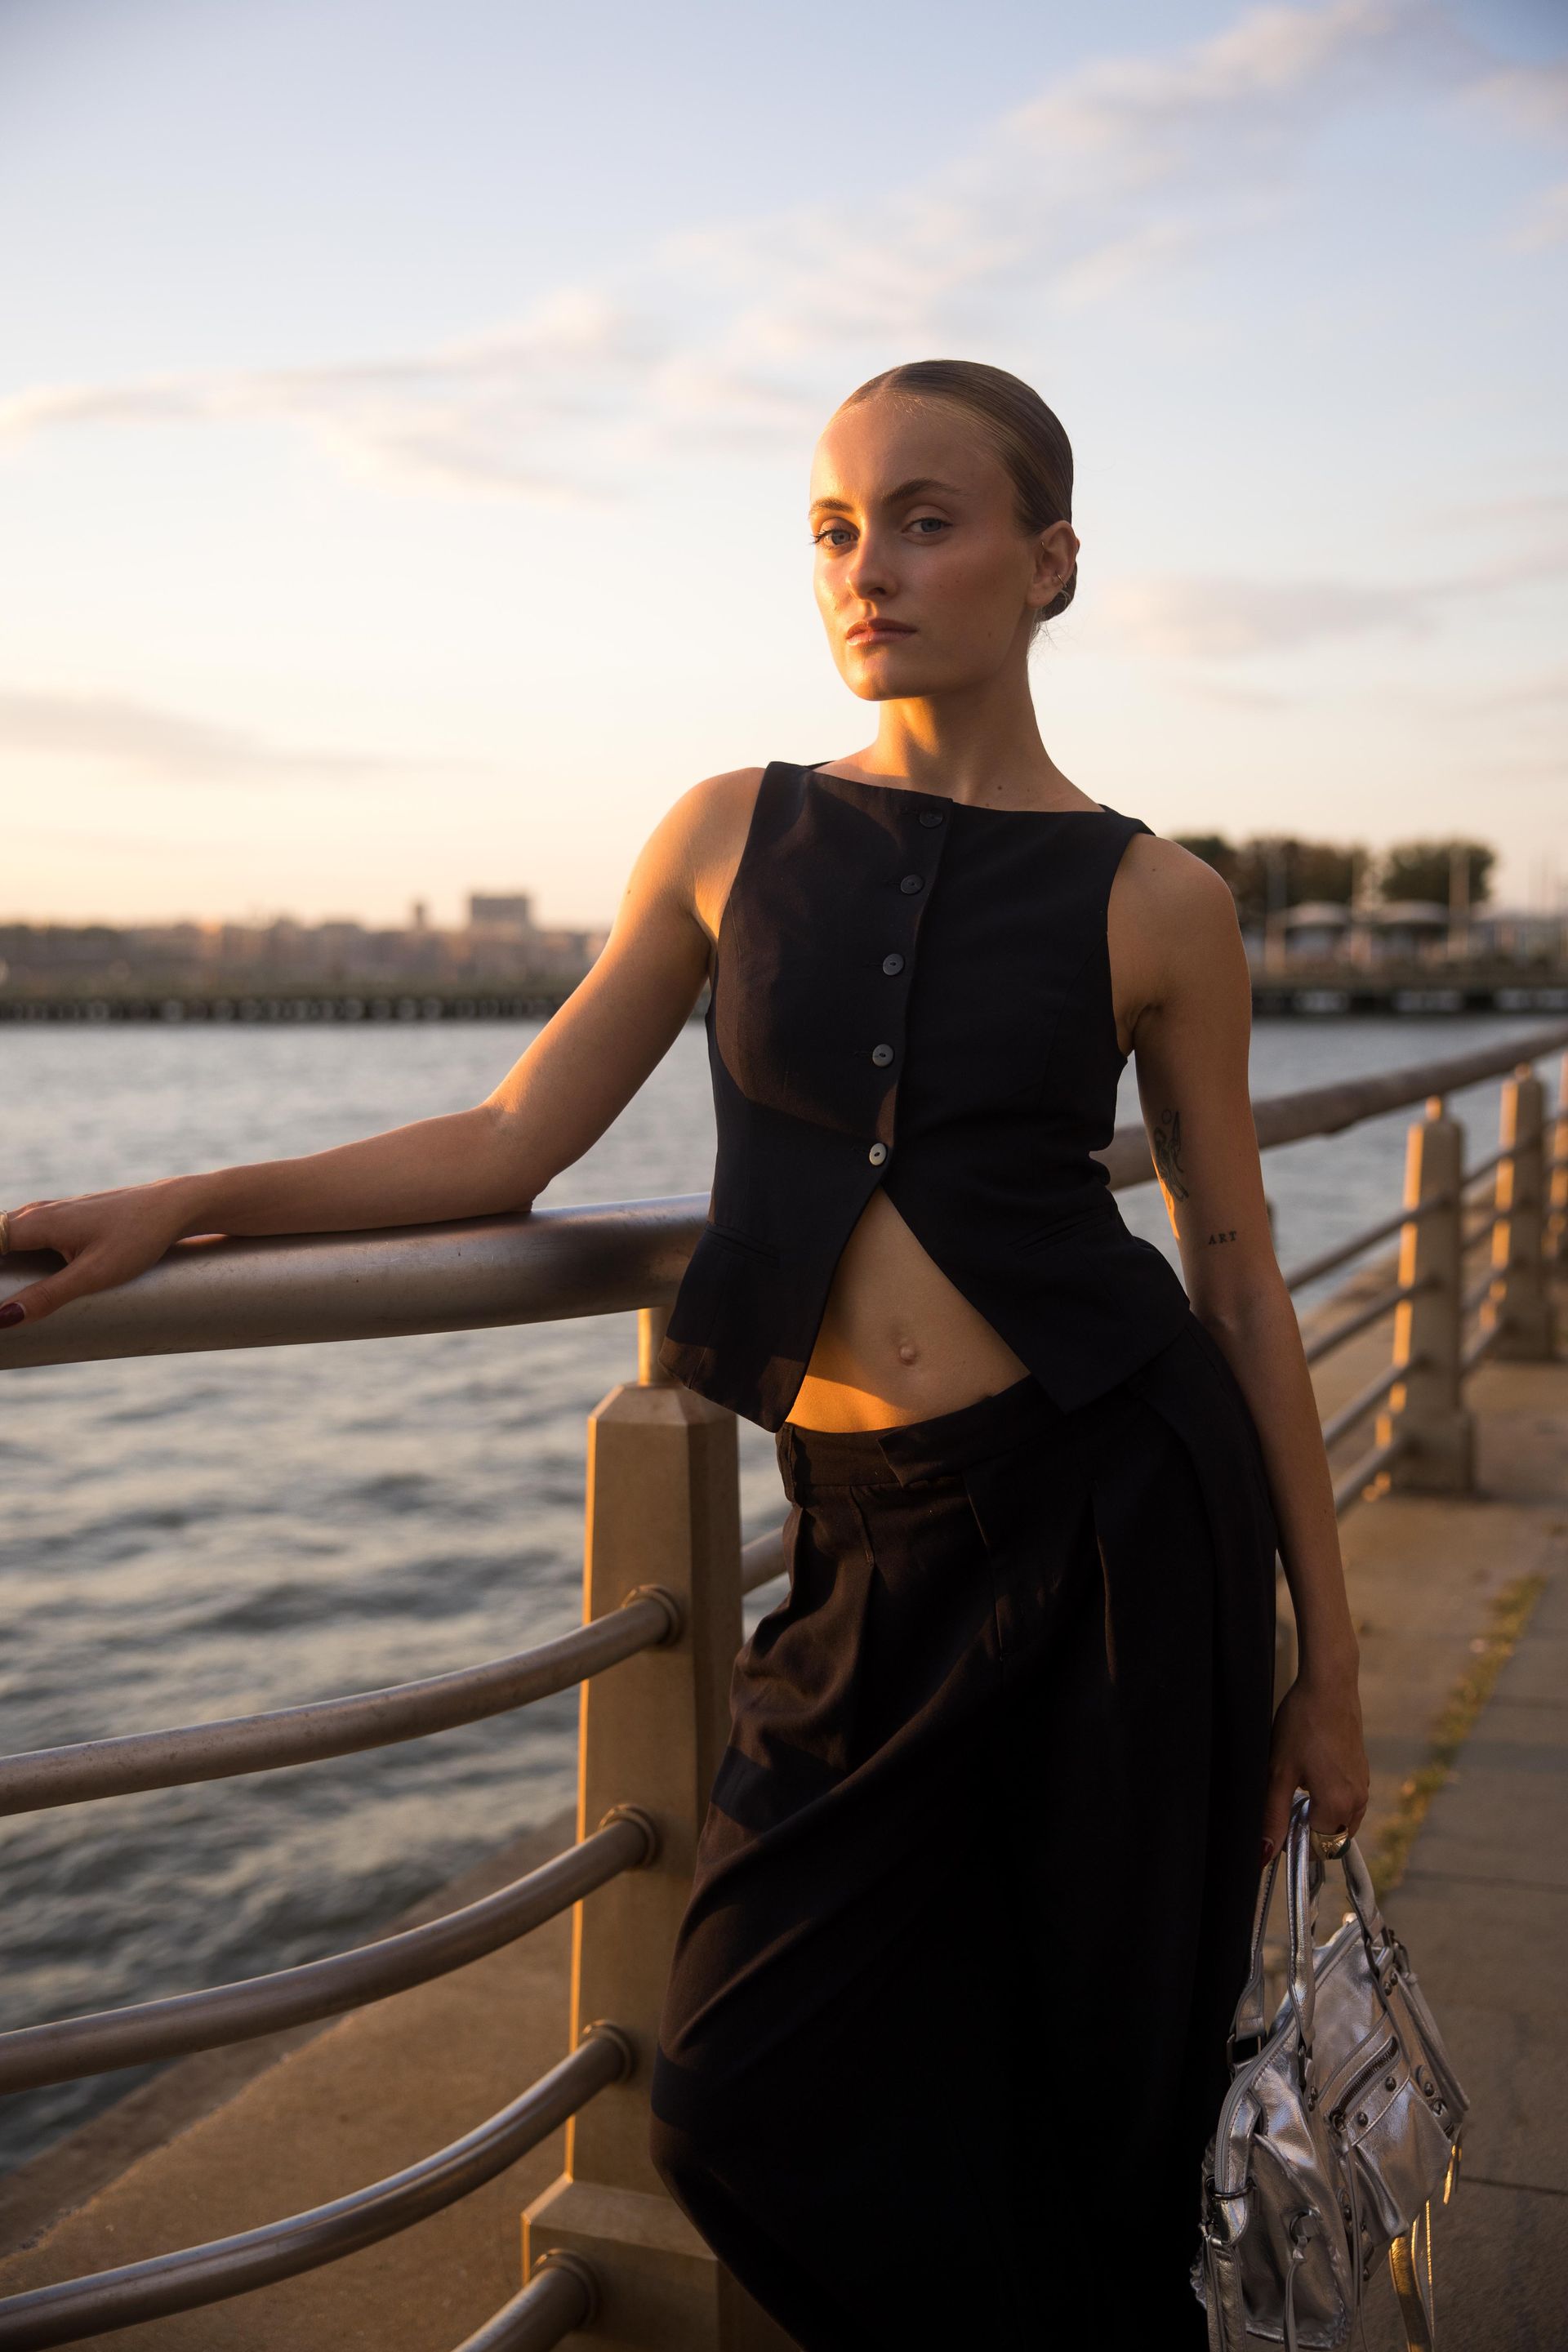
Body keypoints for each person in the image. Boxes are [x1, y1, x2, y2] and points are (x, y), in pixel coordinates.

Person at [0, 359, 1368, 2350]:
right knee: (736, 2095)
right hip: (870, 1547)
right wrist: (182, 1208)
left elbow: (1237, 1276)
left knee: (1107, 2091)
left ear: (1051, 559)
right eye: (831, 528)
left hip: (1122, 1525)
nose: (867, 568)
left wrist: (1331, 1669)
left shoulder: (1165, 899)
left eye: (925, 516)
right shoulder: (736, 834)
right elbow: (510, 1142)